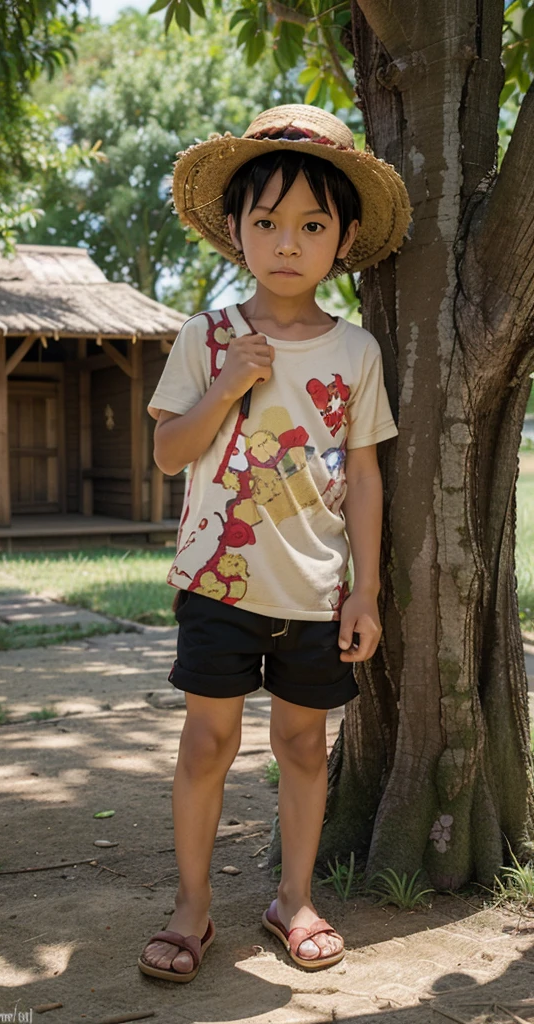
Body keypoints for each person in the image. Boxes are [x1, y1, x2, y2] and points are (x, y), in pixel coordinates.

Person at [138, 104, 410, 982]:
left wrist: (365, 590)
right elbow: (169, 451)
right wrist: (225, 385)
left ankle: (293, 899)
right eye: (266, 222)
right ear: (234, 229)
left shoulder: (358, 351)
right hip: (218, 582)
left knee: (302, 746)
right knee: (206, 744)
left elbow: (364, 475)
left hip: (315, 592)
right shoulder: (206, 337)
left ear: (345, 236)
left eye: (310, 225)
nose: (286, 242)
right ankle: (193, 908)